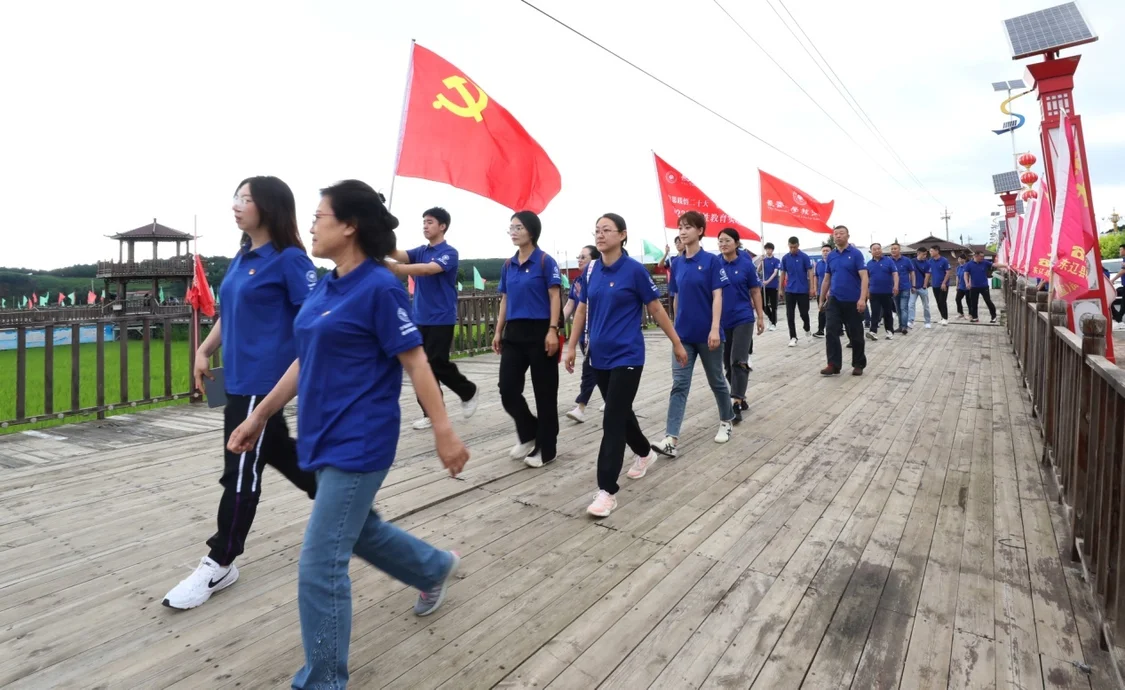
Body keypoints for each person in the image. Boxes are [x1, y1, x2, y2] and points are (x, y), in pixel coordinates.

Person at [227, 179, 468, 689]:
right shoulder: (327, 285)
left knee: (319, 564)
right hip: (321, 436)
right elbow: (302, 360)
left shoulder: (379, 287)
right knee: (360, 531)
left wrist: (443, 432)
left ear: (350, 225)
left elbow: (416, 361)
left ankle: (322, 681)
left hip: (361, 441)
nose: (312, 225)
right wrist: (260, 416)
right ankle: (432, 568)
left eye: (321, 216)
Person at [162, 176, 319, 611]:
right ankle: (335, 496)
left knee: (240, 473)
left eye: (245, 199)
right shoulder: (242, 254)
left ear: (268, 207)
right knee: (278, 451)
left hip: (264, 385)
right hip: (237, 381)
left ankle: (221, 560)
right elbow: (230, 313)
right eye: (236, 197)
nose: (236, 205)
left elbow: (314, 323)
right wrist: (205, 349)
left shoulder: (289, 261)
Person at [564, 214, 687, 518]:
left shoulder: (633, 271)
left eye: (606, 230)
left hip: (628, 356)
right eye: (597, 230)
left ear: (622, 235)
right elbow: (582, 309)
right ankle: (644, 452)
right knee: (621, 412)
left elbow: (655, 307)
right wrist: (570, 345)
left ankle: (607, 490)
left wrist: (676, 342)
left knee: (612, 419)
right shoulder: (591, 270)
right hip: (599, 356)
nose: (600, 234)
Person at [651, 211, 736, 458]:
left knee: (717, 381)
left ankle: (726, 420)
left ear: (700, 231)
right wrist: (675, 331)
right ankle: (671, 438)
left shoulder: (712, 261)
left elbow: (718, 296)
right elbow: (675, 299)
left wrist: (714, 328)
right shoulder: (676, 264)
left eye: (688, 227)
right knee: (679, 385)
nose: (682, 231)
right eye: (680, 227)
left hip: (709, 335)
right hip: (684, 337)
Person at [389, 207, 480, 430]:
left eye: (430, 222)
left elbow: (429, 270)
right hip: (419, 316)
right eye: (423, 222)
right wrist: (379, 234)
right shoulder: (420, 250)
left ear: (442, 226)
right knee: (418, 366)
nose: (425, 226)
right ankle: (431, 412)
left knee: (437, 362)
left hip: (441, 317)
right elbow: (395, 253)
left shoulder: (449, 252)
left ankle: (468, 391)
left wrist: (397, 269)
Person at [492, 211, 562, 469]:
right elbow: (505, 299)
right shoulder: (508, 264)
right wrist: (498, 331)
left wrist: (552, 329)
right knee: (507, 389)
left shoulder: (545, 261)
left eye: (518, 227)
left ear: (531, 231)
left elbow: (555, 297)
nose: (513, 231)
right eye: (510, 227)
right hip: (514, 332)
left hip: (541, 331)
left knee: (545, 393)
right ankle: (530, 431)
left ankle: (547, 448)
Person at [717, 228, 766, 424]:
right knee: (727, 362)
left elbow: (755, 291)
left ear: (736, 243)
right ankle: (741, 394)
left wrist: (760, 317)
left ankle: (735, 400)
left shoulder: (746, 265)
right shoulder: (715, 265)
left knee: (738, 359)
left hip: (743, 318)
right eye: (720, 241)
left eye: (727, 240)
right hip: (721, 320)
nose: (723, 244)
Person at [819, 225, 869, 376]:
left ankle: (858, 364)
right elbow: (827, 279)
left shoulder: (856, 254)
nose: (838, 236)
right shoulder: (831, 256)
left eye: (841, 233)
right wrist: (821, 299)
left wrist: (862, 298)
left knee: (856, 334)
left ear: (848, 236)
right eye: (836, 234)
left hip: (853, 300)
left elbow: (864, 277)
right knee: (831, 330)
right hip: (834, 299)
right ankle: (833, 364)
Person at [563, 244, 600, 422]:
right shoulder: (577, 282)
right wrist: (554, 324)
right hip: (582, 333)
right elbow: (570, 305)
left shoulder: (599, 278)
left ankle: (581, 406)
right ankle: (612, 398)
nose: (579, 260)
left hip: (598, 331)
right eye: (578, 256)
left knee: (589, 368)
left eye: (583, 257)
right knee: (598, 368)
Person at [780, 236, 815, 347]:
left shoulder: (804, 257)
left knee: (804, 313)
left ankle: (807, 328)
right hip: (790, 290)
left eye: (794, 247)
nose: (792, 249)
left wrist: (812, 287)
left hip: (803, 290)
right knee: (790, 314)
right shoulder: (785, 258)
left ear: (798, 245)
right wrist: (780, 289)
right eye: (790, 247)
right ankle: (793, 337)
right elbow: (782, 273)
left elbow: (810, 271)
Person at [866, 243, 898, 341]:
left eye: (878, 249)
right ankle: (873, 332)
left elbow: (895, 274)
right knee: (875, 312)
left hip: (887, 292)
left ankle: (889, 331)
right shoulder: (869, 264)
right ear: (871, 251)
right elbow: (866, 278)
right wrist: (867, 291)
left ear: (881, 250)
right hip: (874, 292)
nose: (877, 251)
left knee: (887, 312)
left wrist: (896, 286)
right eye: (874, 249)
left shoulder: (889, 261)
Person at [965, 250, 1001, 323]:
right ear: (976, 256)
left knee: (988, 301)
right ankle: (975, 317)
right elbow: (966, 274)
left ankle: (993, 317)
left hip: (984, 286)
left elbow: (994, 265)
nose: (982, 258)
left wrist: (1006, 265)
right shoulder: (969, 264)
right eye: (981, 256)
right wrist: (967, 283)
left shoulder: (985, 262)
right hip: (974, 287)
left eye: (983, 256)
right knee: (974, 303)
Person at [889, 243, 913, 334]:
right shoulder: (889, 261)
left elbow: (912, 272)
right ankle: (900, 326)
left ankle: (904, 327)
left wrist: (913, 285)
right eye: (892, 249)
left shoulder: (907, 260)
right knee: (898, 308)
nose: (893, 250)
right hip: (894, 289)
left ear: (900, 250)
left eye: (895, 248)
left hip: (905, 287)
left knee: (903, 308)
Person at [927, 245, 951, 325]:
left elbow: (948, 273)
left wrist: (944, 283)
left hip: (943, 285)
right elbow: (928, 273)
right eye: (930, 251)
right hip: (935, 285)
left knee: (942, 301)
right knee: (938, 302)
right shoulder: (930, 261)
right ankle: (942, 317)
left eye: (931, 251)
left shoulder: (944, 260)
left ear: (937, 251)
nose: (930, 252)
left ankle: (945, 318)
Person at [910, 247, 932, 329]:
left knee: (926, 305)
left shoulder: (927, 263)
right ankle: (911, 321)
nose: (925, 256)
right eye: (923, 254)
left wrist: (924, 286)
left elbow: (927, 276)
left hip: (922, 288)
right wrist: (912, 286)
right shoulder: (912, 262)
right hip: (913, 288)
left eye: (926, 254)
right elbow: (910, 274)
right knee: (911, 305)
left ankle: (927, 321)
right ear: (918, 253)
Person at [760, 243, 781, 330]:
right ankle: (771, 318)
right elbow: (758, 270)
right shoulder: (763, 260)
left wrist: (767, 281)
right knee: (762, 304)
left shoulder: (776, 260)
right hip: (764, 287)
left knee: (773, 305)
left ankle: (773, 323)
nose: (768, 251)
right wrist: (761, 262)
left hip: (773, 286)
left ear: (772, 250)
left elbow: (775, 272)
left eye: (770, 249)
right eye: (767, 249)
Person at [812, 244, 831, 338]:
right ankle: (820, 330)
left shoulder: (833, 262)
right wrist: (815, 288)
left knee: (832, 312)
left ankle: (838, 329)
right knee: (821, 311)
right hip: (821, 292)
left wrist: (830, 290)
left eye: (827, 250)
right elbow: (815, 276)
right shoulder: (818, 264)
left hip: (832, 292)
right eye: (824, 251)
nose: (825, 252)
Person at [954, 254, 969, 319]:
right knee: (957, 299)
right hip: (961, 287)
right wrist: (957, 286)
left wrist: (969, 284)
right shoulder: (958, 268)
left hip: (968, 287)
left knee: (969, 301)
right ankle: (960, 313)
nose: (959, 260)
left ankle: (970, 314)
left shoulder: (968, 266)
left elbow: (970, 276)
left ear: (964, 259)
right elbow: (957, 277)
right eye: (958, 259)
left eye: (960, 259)